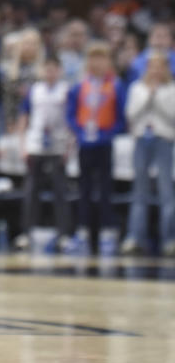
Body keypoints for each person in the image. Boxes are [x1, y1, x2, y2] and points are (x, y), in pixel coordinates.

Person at [65, 42, 126, 255]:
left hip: (104, 143)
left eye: (101, 58)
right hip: (85, 143)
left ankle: (106, 232)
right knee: (84, 189)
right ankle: (83, 232)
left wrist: (107, 134)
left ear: (108, 61)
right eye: (93, 58)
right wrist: (80, 133)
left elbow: (120, 118)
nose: (97, 63)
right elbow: (71, 114)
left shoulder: (115, 85)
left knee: (106, 189)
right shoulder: (80, 85)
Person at [16, 56, 71, 251]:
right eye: (46, 69)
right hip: (36, 145)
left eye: (53, 69)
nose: (50, 73)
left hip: (58, 145)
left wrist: (69, 147)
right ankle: (26, 233)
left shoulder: (66, 91)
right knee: (31, 192)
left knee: (60, 192)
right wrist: (23, 145)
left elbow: (71, 119)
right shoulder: (34, 91)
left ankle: (63, 234)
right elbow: (24, 117)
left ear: (59, 71)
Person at [123, 51, 175, 256]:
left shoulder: (171, 88)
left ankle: (169, 239)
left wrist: (156, 97)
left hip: (163, 139)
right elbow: (131, 114)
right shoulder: (137, 88)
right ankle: (135, 237)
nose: (155, 70)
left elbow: (172, 115)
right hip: (141, 140)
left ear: (165, 68)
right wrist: (148, 96)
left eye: (159, 66)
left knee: (166, 191)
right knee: (139, 191)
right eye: (152, 66)